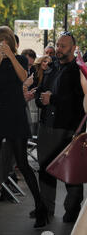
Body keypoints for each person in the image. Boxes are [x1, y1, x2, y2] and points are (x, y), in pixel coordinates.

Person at [0, 26, 47, 228]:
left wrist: (10, 56)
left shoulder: (19, 59)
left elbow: (23, 79)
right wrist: (0, 60)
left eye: (0, 41)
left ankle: (40, 207)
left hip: (16, 113)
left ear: (8, 41)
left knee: (23, 162)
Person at [35, 32, 85, 223]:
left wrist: (52, 99)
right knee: (44, 167)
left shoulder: (78, 70)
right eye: (58, 44)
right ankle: (45, 209)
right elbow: (42, 90)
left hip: (67, 127)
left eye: (63, 46)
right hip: (47, 124)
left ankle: (72, 209)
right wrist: (40, 98)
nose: (59, 48)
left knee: (70, 170)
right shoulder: (51, 67)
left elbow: (79, 101)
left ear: (73, 48)